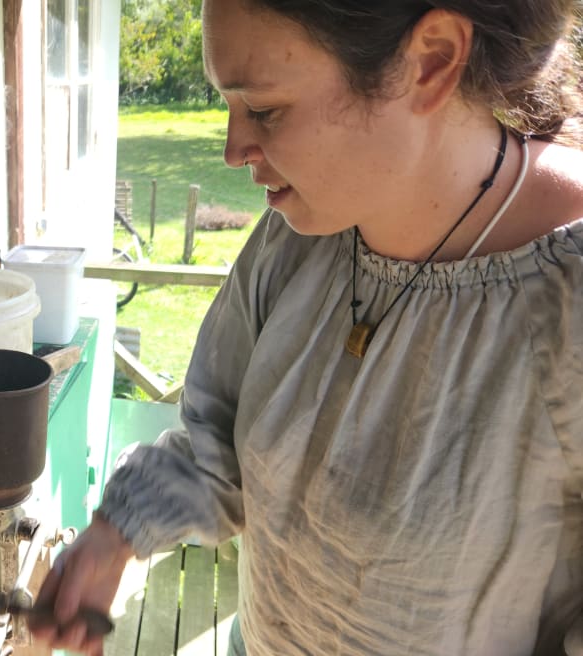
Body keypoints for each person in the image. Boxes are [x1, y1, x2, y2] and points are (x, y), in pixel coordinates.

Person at [29, 0, 583, 654]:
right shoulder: (300, 237)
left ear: (430, 63)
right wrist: (114, 536)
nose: (235, 150)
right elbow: (221, 443)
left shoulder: (564, 303)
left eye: (263, 109)